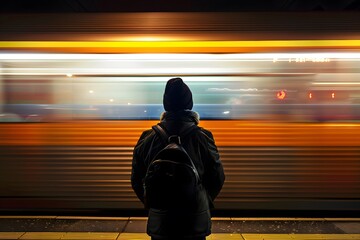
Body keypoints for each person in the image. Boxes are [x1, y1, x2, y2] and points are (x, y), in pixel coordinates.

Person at [131, 77, 225, 240]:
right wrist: (202, 199)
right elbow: (217, 176)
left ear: (166, 105)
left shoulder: (148, 138)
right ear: (189, 105)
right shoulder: (202, 137)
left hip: (161, 222)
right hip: (194, 221)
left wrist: (154, 203)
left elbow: (136, 179)